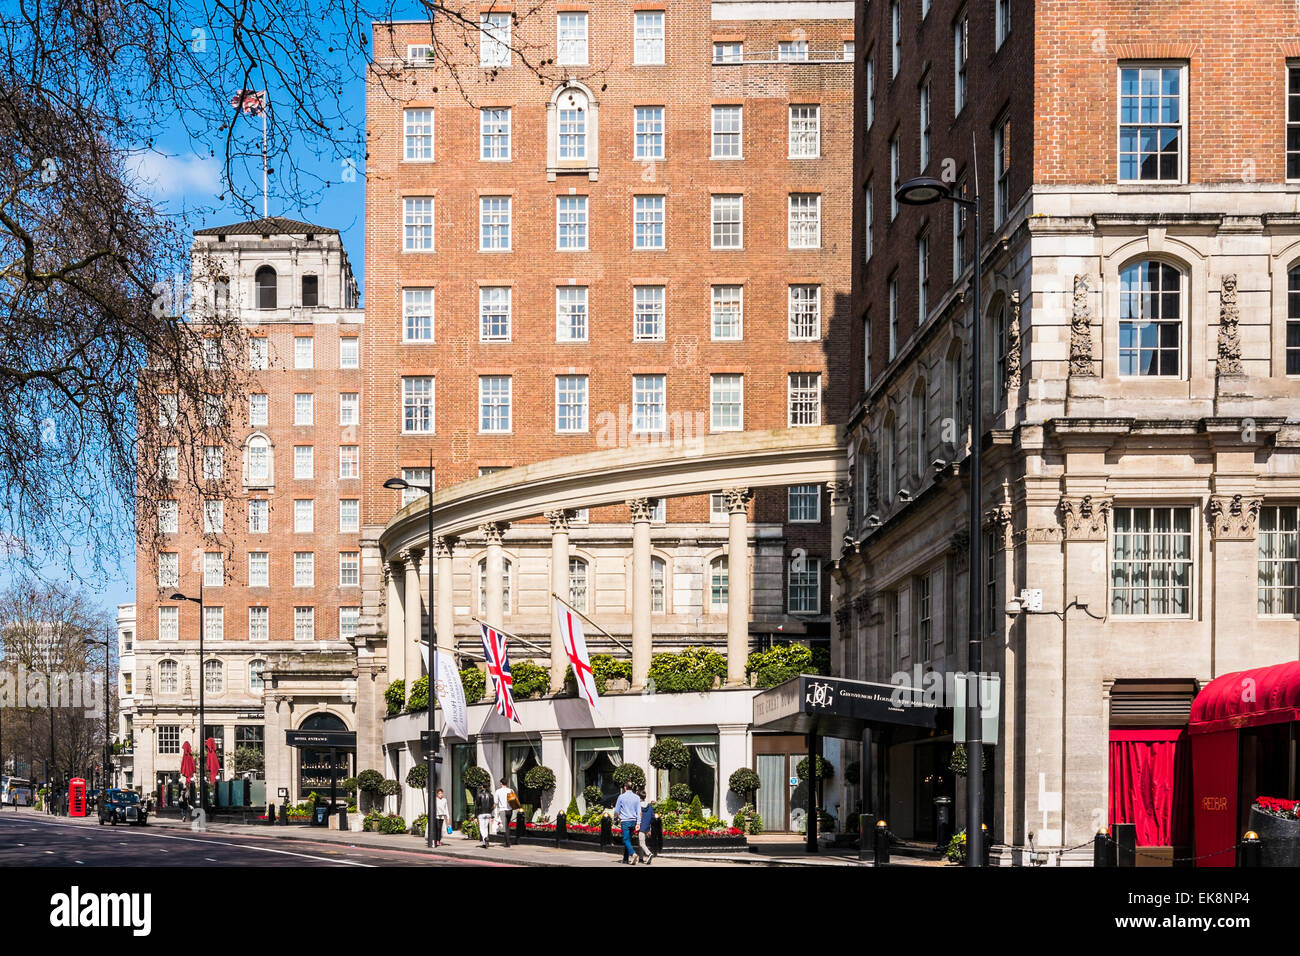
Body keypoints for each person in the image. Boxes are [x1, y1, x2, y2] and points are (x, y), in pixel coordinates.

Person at [614, 781, 641, 864]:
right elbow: (639, 811)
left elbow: (616, 811)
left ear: (625, 788)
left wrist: (615, 819)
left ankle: (633, 854)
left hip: (625, 821)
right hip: (633, 821)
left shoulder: (621, 797)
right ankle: (625, 859)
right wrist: (638, 823)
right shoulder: (637, 797)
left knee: (625, 840)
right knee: (628, 840)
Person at [493, 777, 513, 848]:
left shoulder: (498, 791)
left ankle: (507, 843)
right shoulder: (510, 790)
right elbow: (513, 800)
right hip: (510, 810)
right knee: (508, 825)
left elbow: (495, 802)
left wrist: (493, 811)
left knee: (505, 827)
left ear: (501, 783)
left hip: (502, 810)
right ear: (507, 783)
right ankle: (508, 841)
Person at [636, 790, 655, 865]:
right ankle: (641, 858)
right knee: (641, 841)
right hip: (647, 826)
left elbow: (636, 815)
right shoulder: (649, 806)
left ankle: (649, 853)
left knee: (641, 843)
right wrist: (649, 826)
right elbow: (652, 817)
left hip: (641, 826)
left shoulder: (638, 806)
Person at [473, 784, 494, 848]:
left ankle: (485, 838)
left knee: (482, 828)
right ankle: (485, 843)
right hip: (488, 813)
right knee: (485, 827)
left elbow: (476, 806)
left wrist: (475, 816)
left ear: (482, 787)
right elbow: (492, 806)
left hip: (481, 813)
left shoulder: (479, 794)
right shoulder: (491, 795)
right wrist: (492, 816)